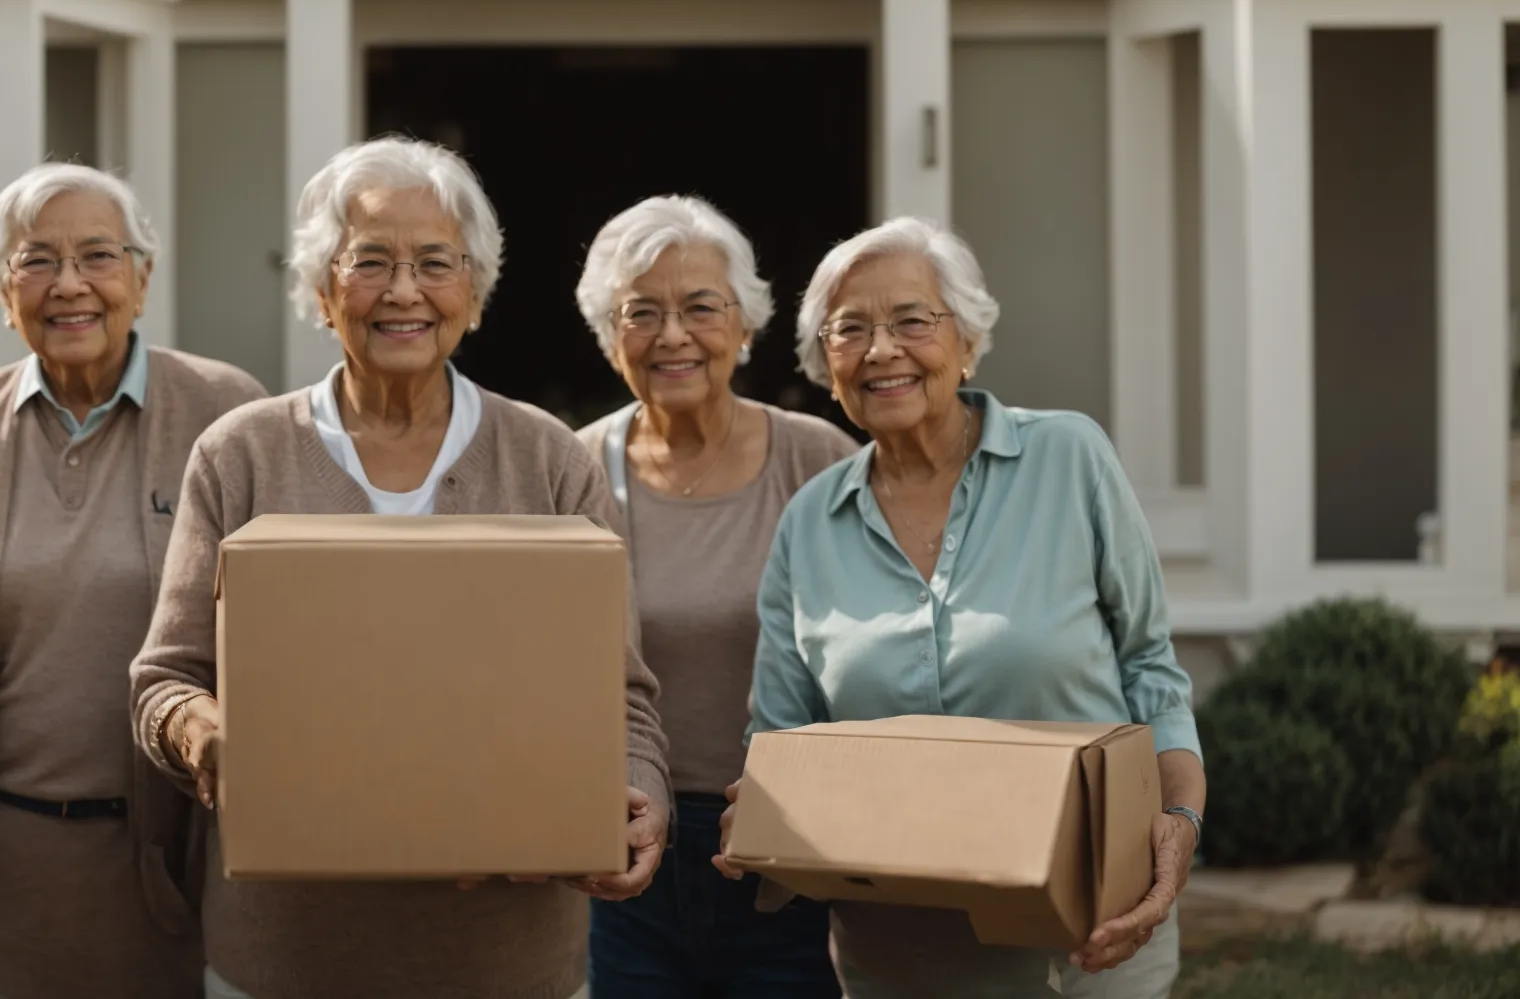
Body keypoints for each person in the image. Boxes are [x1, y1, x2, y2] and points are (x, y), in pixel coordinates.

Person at [129, 136, 672, 999]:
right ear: (322, 289)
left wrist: (641, 792)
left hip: (507, 960)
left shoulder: (548, 459)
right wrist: (204, 734)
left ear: (476, 293)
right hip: (289, 958)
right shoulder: (242, 454)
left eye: (434, 263)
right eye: (370, 262)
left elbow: (623, 693)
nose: (404, 291)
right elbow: (164, 680)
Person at [718, 217, 1206, 999]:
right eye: (851, 331)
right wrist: (764, 813)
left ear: (968, 340)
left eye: (913, 320)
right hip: (899, 957)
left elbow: (1150, 670)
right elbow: (780, 737)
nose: (882, 351)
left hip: (1089, 941)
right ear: (825, 366)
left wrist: (1179, 827)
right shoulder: (809, 523)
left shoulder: (1070, 459)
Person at [0, 163, 267, 999]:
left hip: (171, 864)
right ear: (6, 291)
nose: (69, 285)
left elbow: (277, 634)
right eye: (37, 261)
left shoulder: (226, 409)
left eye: (98, 257)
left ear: (142, 278)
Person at [572, 195, 855, 998]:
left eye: (700, 307)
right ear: (608, 333)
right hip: (622, 840)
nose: (672, 336)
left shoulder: (820, 461)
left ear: (745, 325)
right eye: (642, 313)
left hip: (787, 846)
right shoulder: (574, 468)